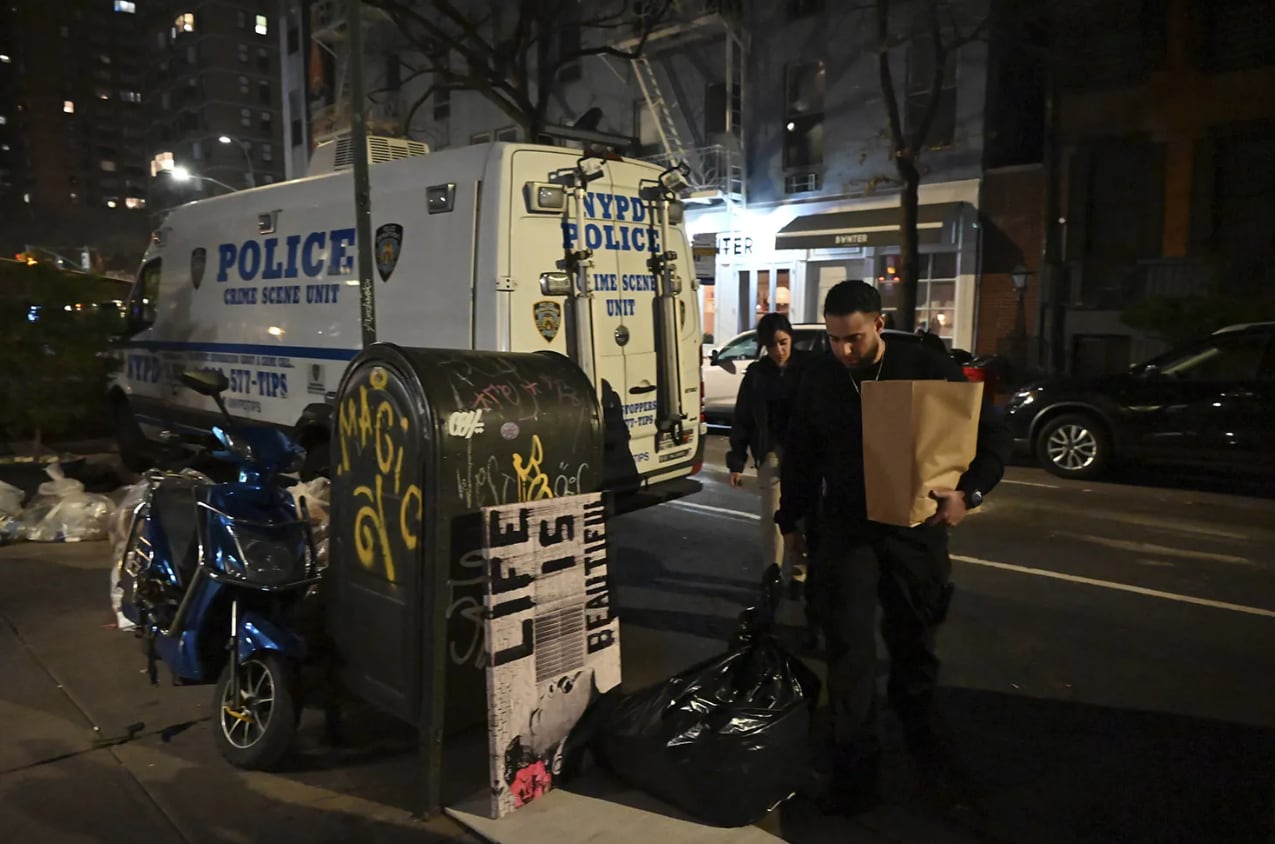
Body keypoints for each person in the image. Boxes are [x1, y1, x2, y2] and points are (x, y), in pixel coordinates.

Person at [775, 280, 1012, 816]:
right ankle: (854, 777)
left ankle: (928, 758)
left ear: (879, 325)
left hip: (914, 532)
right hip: (846, 532)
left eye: (854, 338)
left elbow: (993, 435)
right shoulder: (820, 376)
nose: (844, 350)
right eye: (834, 339)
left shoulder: (924, 365)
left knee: (913, 647)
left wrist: (969, 494)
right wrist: (791, 521)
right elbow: (801, 455)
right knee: (849, 654)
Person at [726, 313, 809, 595]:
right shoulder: (757, 375)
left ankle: (799, 573)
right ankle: (772, 572)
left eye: (783, 342)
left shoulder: (808, 368)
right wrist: (736, 461)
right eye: (772, 345)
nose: (779, 350)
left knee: (802, 515)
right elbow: (743, 419)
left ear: (791, 338)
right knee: (772, 515)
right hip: (771, 450)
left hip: (804, 452)